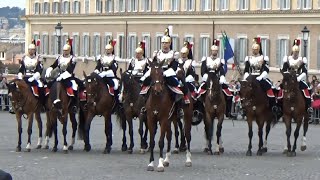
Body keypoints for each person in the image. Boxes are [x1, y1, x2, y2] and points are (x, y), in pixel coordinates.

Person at [140, 27, 190, 104]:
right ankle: (143, 102)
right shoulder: (157, 53)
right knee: (146, 81)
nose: (164, 45)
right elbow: (154, 63)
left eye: (166, 43)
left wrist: (165, 72)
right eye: (163, 43)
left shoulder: (174, 53)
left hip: (169, 71)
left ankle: (179, 105)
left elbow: (174, 66)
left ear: (169, 43)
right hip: (158, 71)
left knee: (176, 83)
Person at [197, 39, 235, 118]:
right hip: (208, 78)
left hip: (217, 78)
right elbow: (203, 71)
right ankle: (200, 111)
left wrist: (222, 77)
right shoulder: (206, 60)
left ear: (217, 52)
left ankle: (227, 111)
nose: (214, 52)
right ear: (211, 51)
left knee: (229, 93)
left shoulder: (220, 60)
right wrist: (206, 77)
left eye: (216, 51)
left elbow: (222, 71)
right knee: (199, 93)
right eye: (213, 51)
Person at [243, 37, 278, 114]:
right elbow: (246, 69)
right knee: (243, 90)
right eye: (253, 49)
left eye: (255, 49)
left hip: (260, 76)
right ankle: (243, 105)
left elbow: (266, 69)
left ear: (258, 49)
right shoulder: (248, 58)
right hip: (251, 76)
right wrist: (246, 77)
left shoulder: (263, 58)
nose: (254, 51)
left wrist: (261, 77)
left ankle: (273, 106)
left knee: (269, 87)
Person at [280, 39, 313, 114]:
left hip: (298, 78)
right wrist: (287, 77)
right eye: (295, 52)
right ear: (292, 51)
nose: (296, 53)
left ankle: (308, 106)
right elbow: (284, 70)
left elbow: (304, 72)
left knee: (306, 90)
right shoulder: (288, 59)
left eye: (297, 52)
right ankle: (279, 105)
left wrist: (299, 78)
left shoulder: (301, 60)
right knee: (281, 88)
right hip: (289, 79)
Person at [45, 37, 78, 112]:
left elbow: (70, 69)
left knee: (75, 87)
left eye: (66, 50)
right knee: (48, 85)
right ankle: (47, 103)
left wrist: (63, 76)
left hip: (68, 77)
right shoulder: (59, 58)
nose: (65, 52)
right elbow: (54, 65)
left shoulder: (72, 58)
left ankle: (74, 104)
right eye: (64, 50)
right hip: (59, 75)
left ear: (69, 50)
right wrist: (49, 69)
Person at [93, 38, 120, 104]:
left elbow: (114, 69)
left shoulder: (114, 58)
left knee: (116, 86)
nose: (107, 51)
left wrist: (105, 73)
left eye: (109, 49)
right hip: (101, 76)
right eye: (106, 49)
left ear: (111, 50)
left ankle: (117, 102)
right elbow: (98, 66)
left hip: (111, 77)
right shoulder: (101, 58)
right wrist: (96, 71)